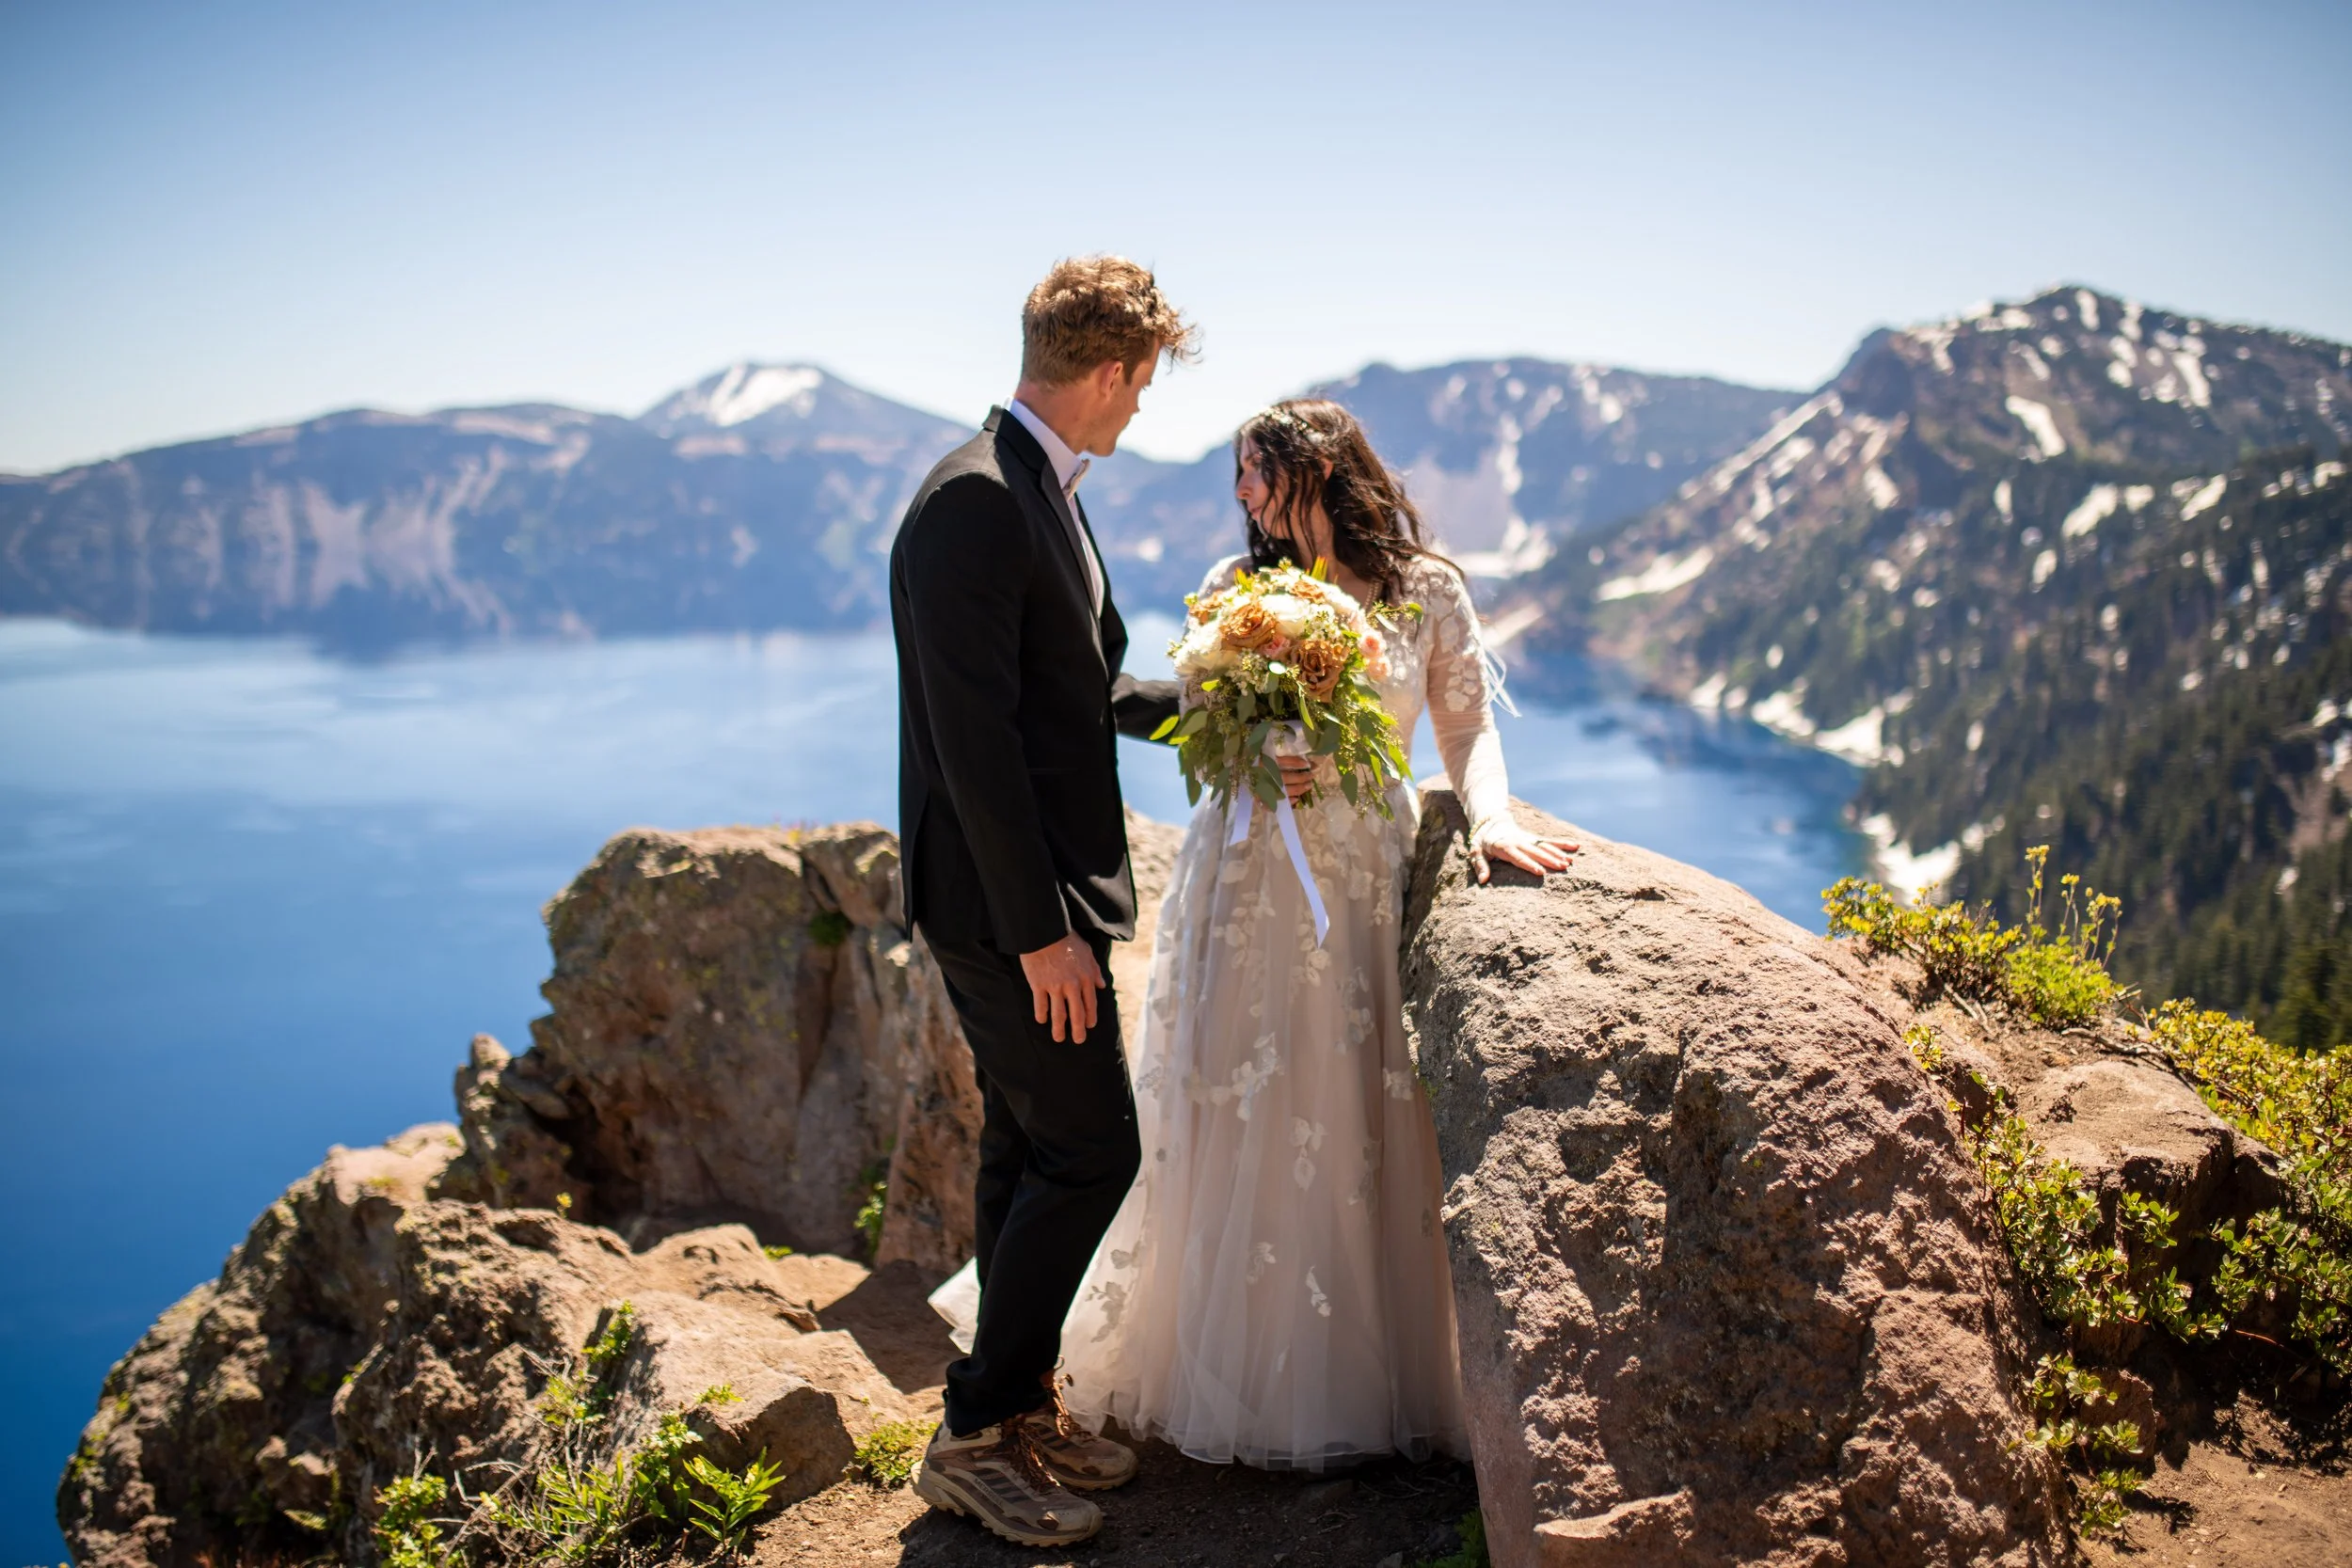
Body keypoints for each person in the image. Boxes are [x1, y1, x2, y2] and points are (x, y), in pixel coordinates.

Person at [1056, 398, 1579, 1470]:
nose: (1243, 496)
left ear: (1322, 469)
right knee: (1235, 1093)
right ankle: (1227, 1368)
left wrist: (1491, 821)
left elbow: (1465, 726)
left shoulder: (1425, 588)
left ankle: (1361, 1368)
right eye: (1239, 479)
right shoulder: (1233, 590)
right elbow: (1201, 726)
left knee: (1345, 1099)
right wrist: (1260, 745)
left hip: (1360, 877)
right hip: (1243, 874)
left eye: (1257, 473)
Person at [890, 256, 1193, 1547]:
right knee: (1092, 1149)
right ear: (1112, 372)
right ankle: (970, 1431)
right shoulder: (972, 501)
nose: (1139, 415)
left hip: (1044, 902)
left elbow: (1079, 689)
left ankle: (1010, 1406)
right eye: (1142, 388)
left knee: (1026, 1146)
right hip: (1008, 910)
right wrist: (1040, 935)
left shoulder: (1038, 490)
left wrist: (1223, 698)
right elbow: (977, 748)